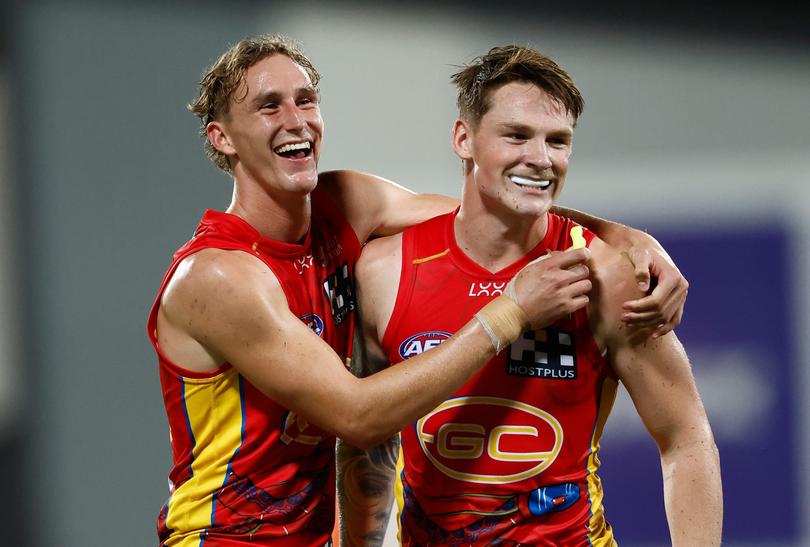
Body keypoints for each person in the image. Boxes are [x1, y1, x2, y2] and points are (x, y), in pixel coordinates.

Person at [147, 35, 689, 546]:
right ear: (222, 137)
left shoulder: (346, 204)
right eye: (269, 106)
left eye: (306, 100)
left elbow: (496, 201)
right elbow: (359, 418)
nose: (297, 121)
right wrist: (512, 311)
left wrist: (625, 236)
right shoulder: (220, 275)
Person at [340, 45, 721, 546]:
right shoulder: (386, 270)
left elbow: (686, 437)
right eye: (517, 135)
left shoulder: (605, 274)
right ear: (464, 139)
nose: (541, 159)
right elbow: (367, 442)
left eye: (558, 141)